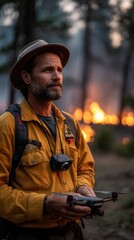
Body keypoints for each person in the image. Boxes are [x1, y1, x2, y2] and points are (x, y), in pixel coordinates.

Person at [0, 39, 95, 240]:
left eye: (59, 70)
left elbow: (84, 168)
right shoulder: (8, 125)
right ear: (26, 77)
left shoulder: (70, 124)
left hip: (72, 233)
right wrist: (45, 203)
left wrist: (82, 186)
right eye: (47, 70)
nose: (57, 76)